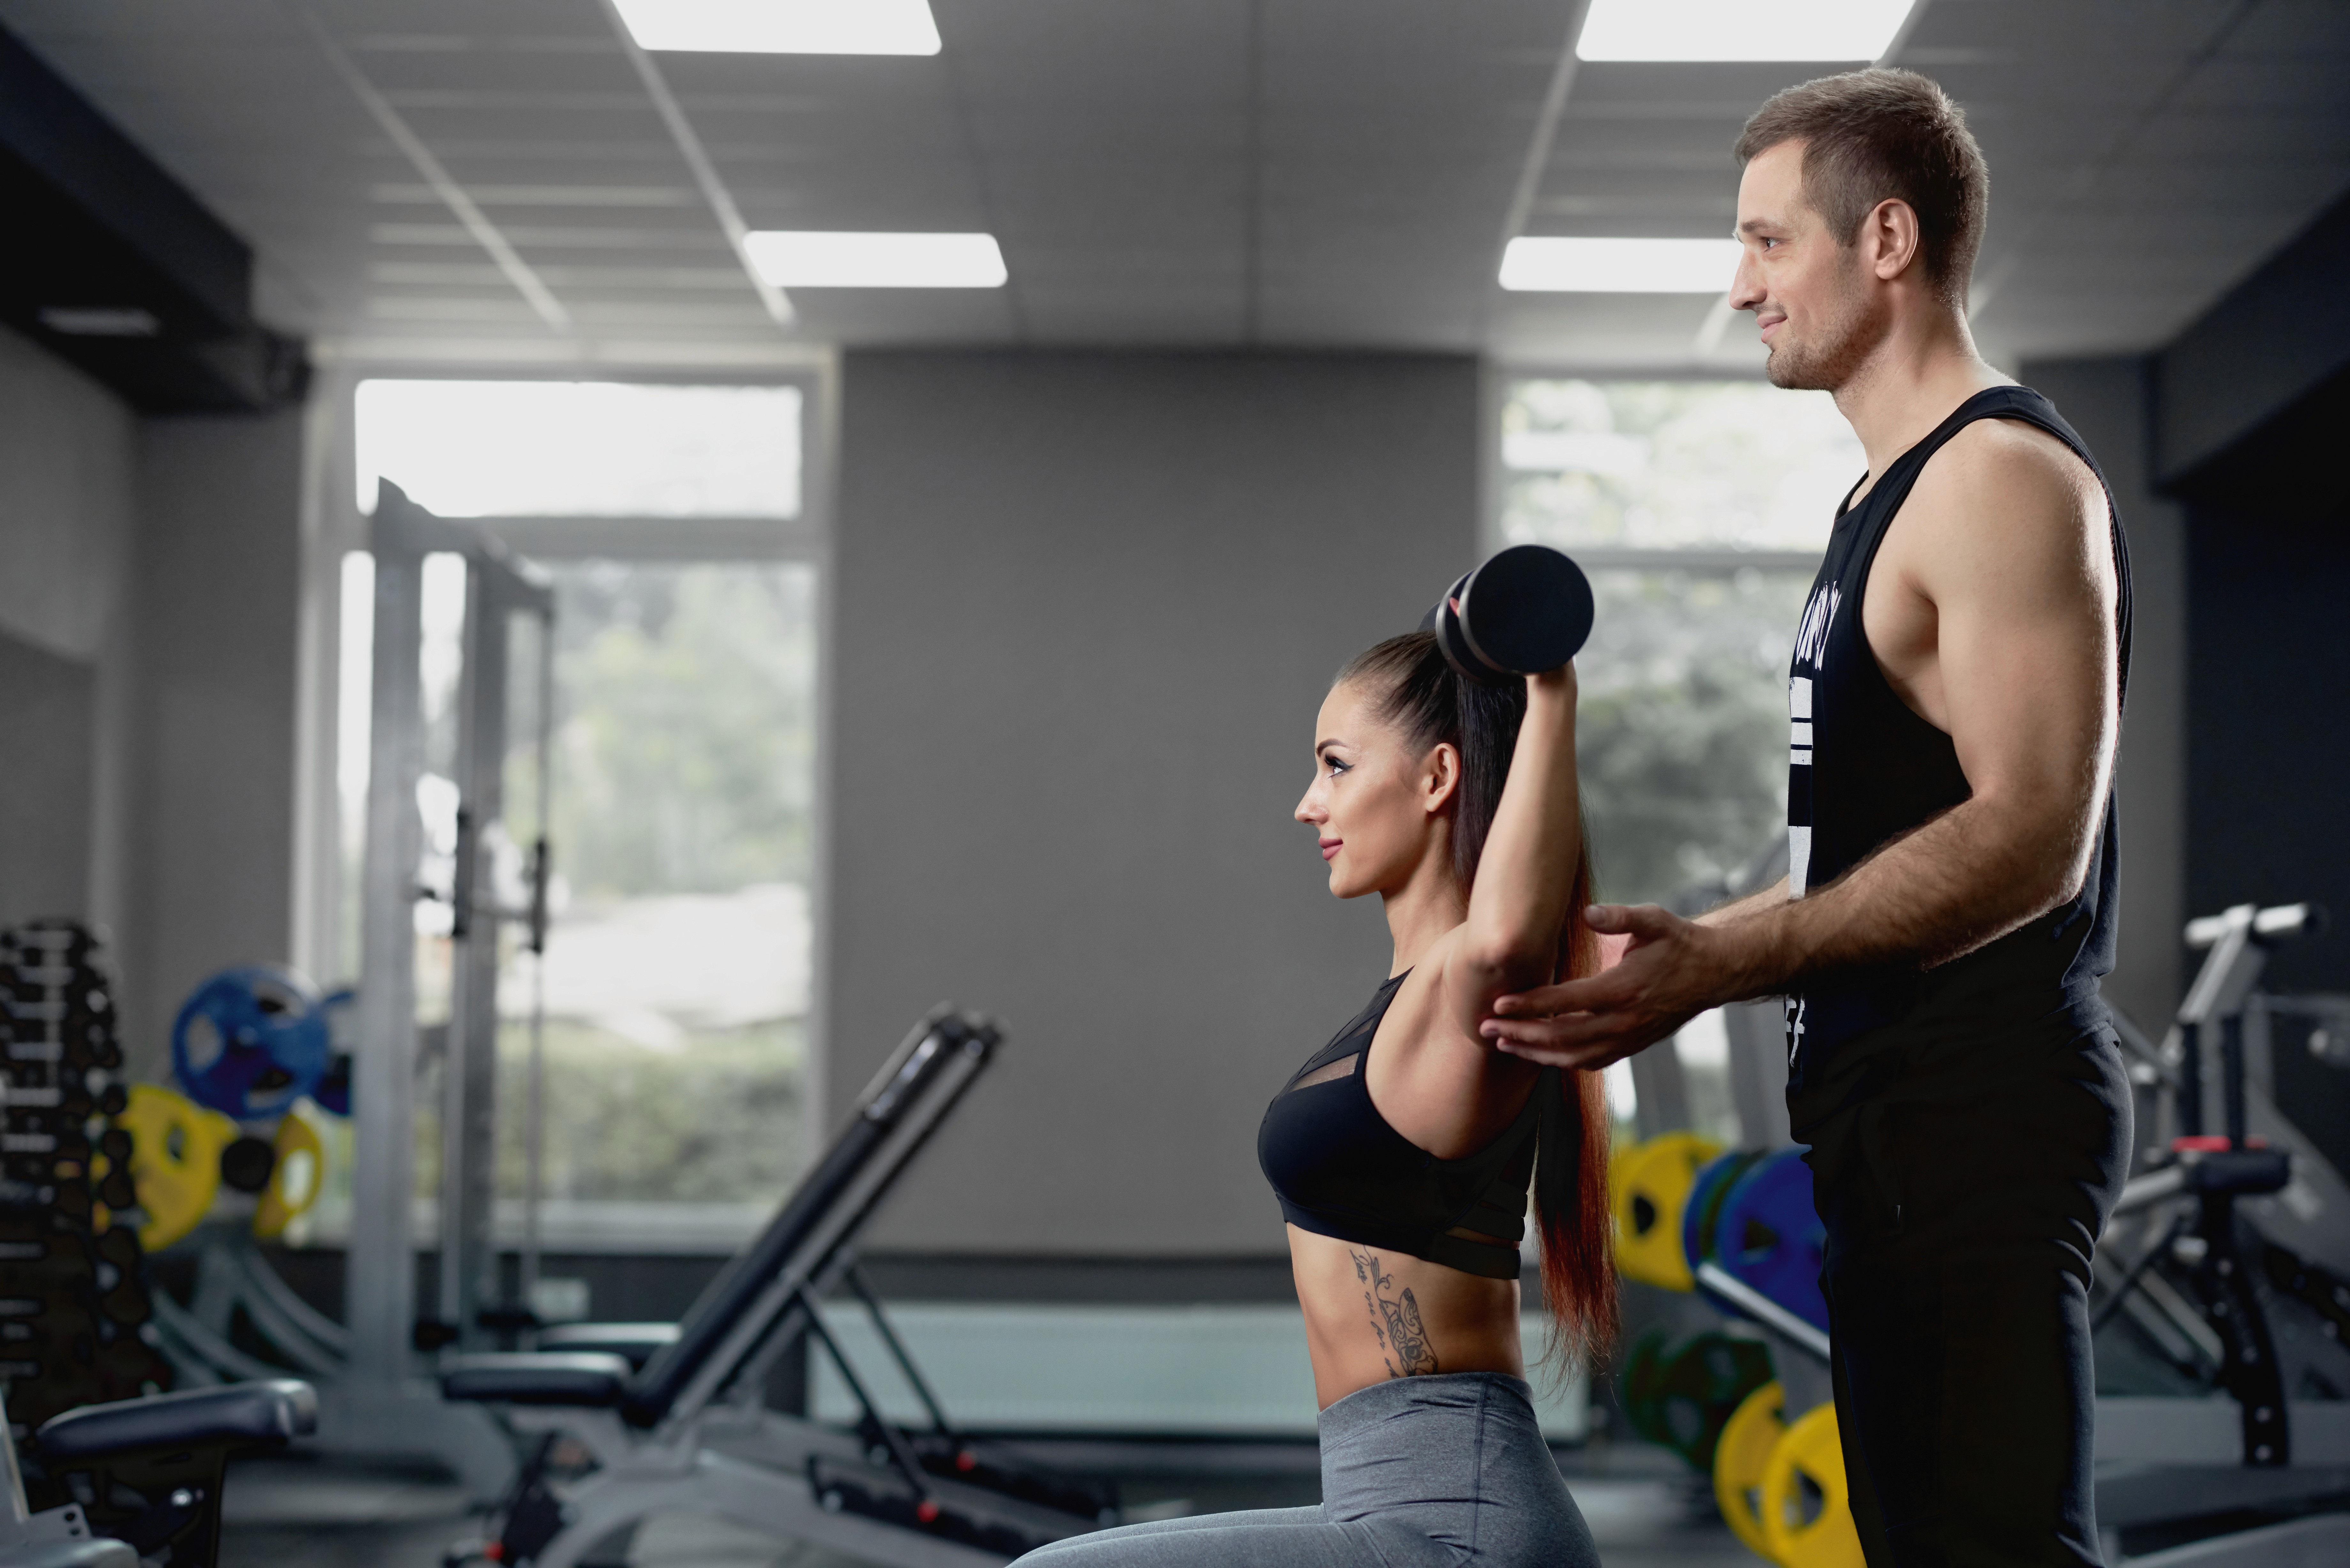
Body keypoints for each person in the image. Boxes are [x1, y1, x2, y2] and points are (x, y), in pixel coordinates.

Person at [1481, 69, 2132, 1568]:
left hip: (1977, 1109)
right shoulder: (1879, 504)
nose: (1738, 288)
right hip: (1882, 1118)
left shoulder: (1999, 479)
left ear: (1884, 239)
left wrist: (1726, 962)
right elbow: (1877, 829)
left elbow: (2036, 833)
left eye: (1769, 244)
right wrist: (1705, 943)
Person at [1017, 630, 1613, 1564]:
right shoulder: (1408, 1002)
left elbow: (1504, 939)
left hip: (1458, 1526)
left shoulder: (1471, 990)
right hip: (1392, 1507)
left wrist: (1550, 689)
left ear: (1436, 779)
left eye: (1335, 766)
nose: (1308, 805)